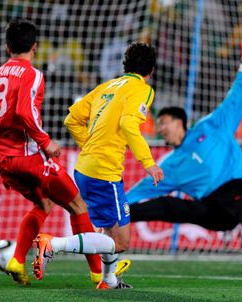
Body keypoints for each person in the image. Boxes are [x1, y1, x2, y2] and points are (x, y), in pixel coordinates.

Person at [127, 40, 242, 273]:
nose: (160, 129)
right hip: (212, 209)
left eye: (164, 123)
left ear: (179, 122)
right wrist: (117, 204)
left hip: (236, 189)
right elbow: (144, 189)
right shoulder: (171, 165)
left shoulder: (210, 127)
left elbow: (235, 101)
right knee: (169, 205)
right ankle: (120, 216)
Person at [0, 19, 129, 286]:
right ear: (35, 47)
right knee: (77, 205)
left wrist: (7, 130)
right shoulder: (33, 74)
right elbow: (25, 112)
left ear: (7, 47)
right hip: (30, 156)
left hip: (4, 160)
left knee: (43, 204)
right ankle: (99, 273)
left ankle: (16, 260)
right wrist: (45, 141)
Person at [61, 41, 164, 289]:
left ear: (124, 65)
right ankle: (52, 244)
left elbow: (71, 119)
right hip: (104, 171)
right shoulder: (142, 89)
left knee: (108, 232)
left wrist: (89, 145)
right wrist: (148, 163)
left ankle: (108, 280)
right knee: (122, 242)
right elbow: (129, 124)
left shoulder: (106, 86)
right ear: (150, 71)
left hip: (84, 167)